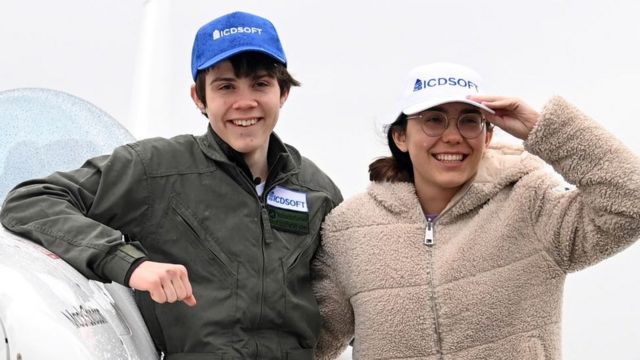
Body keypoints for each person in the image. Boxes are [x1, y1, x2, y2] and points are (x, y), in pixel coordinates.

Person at [0, 11, 342, 359]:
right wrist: (130, 264)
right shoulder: (156, 170)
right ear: (199, 97)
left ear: (282, 92)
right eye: (226, 86)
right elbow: (31, 201)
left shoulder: (317, 190)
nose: (245, 102)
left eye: (260, 84)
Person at [312, 62, 640, 359]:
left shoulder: (531, 204)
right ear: (400, 137)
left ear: (489, 134)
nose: (453, 136)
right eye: (434, 120)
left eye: (469, 121)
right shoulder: (349, 230)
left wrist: (540, 127)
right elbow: (311, 343)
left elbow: (631, 202)